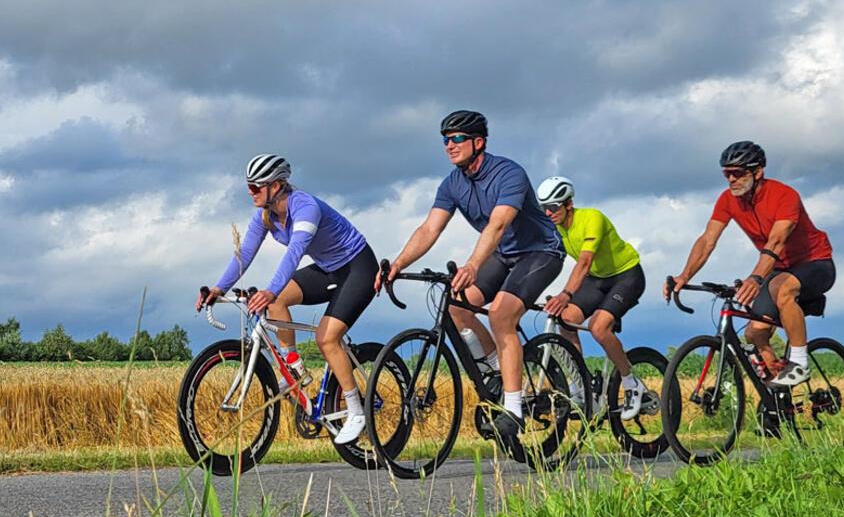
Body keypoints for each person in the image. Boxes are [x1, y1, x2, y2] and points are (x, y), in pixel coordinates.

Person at [378, 110, 565, 458]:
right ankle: (496, 366)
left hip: (540, 252)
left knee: (500, 313)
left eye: (457, 138)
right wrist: (398, 264)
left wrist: (473, 264)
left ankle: (513, 408)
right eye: (445, 140)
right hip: (503, 253)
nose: (449, 145)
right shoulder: (452, 183)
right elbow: (429, 229)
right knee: (456, 305)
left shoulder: (509, 173)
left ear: (479, 142)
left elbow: (497, 225)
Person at [198, 154, 381, 444]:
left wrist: (270, 288)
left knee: (326, 338)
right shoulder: (265, 215)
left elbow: (295, 252)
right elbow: (244, 254)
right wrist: (219, 288)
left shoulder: (305, 206)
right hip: (328, 269)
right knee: (276, 302)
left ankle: (356, 410)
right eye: (249, 186)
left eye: (257, 186)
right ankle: (293, 365)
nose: (251, 192)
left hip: (358, 268)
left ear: (278, 185)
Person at [665, 141, 835, 387]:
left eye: (738, 173)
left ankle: (799, 363)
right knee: (754, 333)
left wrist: (755, 278)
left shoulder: (784, 196)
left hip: (815, 262)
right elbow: (707, 240)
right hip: (778, 268)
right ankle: (777, 393)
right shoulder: (727, 200)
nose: (731, 179)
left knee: (781, 288)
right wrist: (684, 276)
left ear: (758, 172)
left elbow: (777, 241)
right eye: (726, 174)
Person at [535, 177, 649, 420]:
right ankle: (582, 386)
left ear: (569, 204)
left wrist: (565, 294)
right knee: (566, 319)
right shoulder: (556, 227)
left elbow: (584, 262)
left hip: (626, 276)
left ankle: (631, 384)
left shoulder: (591, 218)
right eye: (544, 208)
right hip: (598, 279)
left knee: (598, 327)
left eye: (554, 207)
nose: (549, 213)